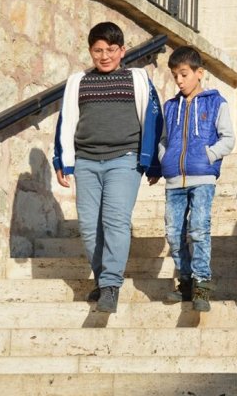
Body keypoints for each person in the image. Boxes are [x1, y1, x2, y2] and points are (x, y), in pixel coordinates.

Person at [53, 21, 163, 313]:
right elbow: (65, 122)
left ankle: (111, 285)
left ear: (122, 50)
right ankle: (103, 279)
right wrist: (61, 160)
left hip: (124, 159)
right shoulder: (78, 81)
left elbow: (154, 118)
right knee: (89, 227)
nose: (104, 56)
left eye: (111, 50)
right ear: (90, 51)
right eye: (98, 50)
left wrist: (153, 162)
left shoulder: (137, 79)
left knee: (114, 220)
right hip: (86, 161)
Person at [158, 46, 235, 312]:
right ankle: (186, 281)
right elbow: (164, 139)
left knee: (199, 229)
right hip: (174, 180)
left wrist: (208, 155)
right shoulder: (171, 107)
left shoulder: (216, 102)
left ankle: (202, 282)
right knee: (173, 233)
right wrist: (165, 158)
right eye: (175, 76)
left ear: (199, 73)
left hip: (202, 178)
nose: (179, 81)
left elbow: (228, 139)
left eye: (184, 74)